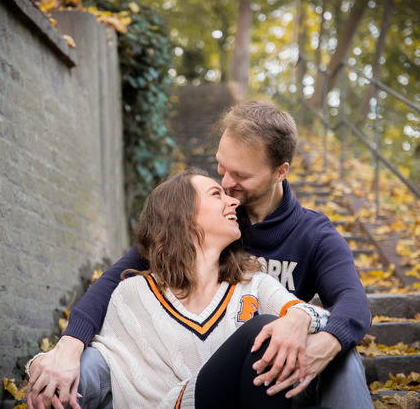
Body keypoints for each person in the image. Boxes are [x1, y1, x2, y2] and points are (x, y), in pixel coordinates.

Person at [27, 100, 373, 409]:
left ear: (280, 172)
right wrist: (69, 346)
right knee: (89, 363)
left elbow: (353, 302)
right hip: (204, 378)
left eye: (240, 175)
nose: (226, 184)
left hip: (276, 373)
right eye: (221, 167)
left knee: (340, 351)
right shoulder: (206, 219)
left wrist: (318, 334)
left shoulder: (313, 235)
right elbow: (113, 281)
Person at [28, 169, 330, 408]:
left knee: (269, 331)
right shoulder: (133, 294)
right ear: (183, 217)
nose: (234, 202)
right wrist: (42, 362)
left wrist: (301, 316)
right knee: (263, 329)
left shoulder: (255, 284)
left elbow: (318, 317)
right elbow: (102, 360)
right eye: (217, 194)